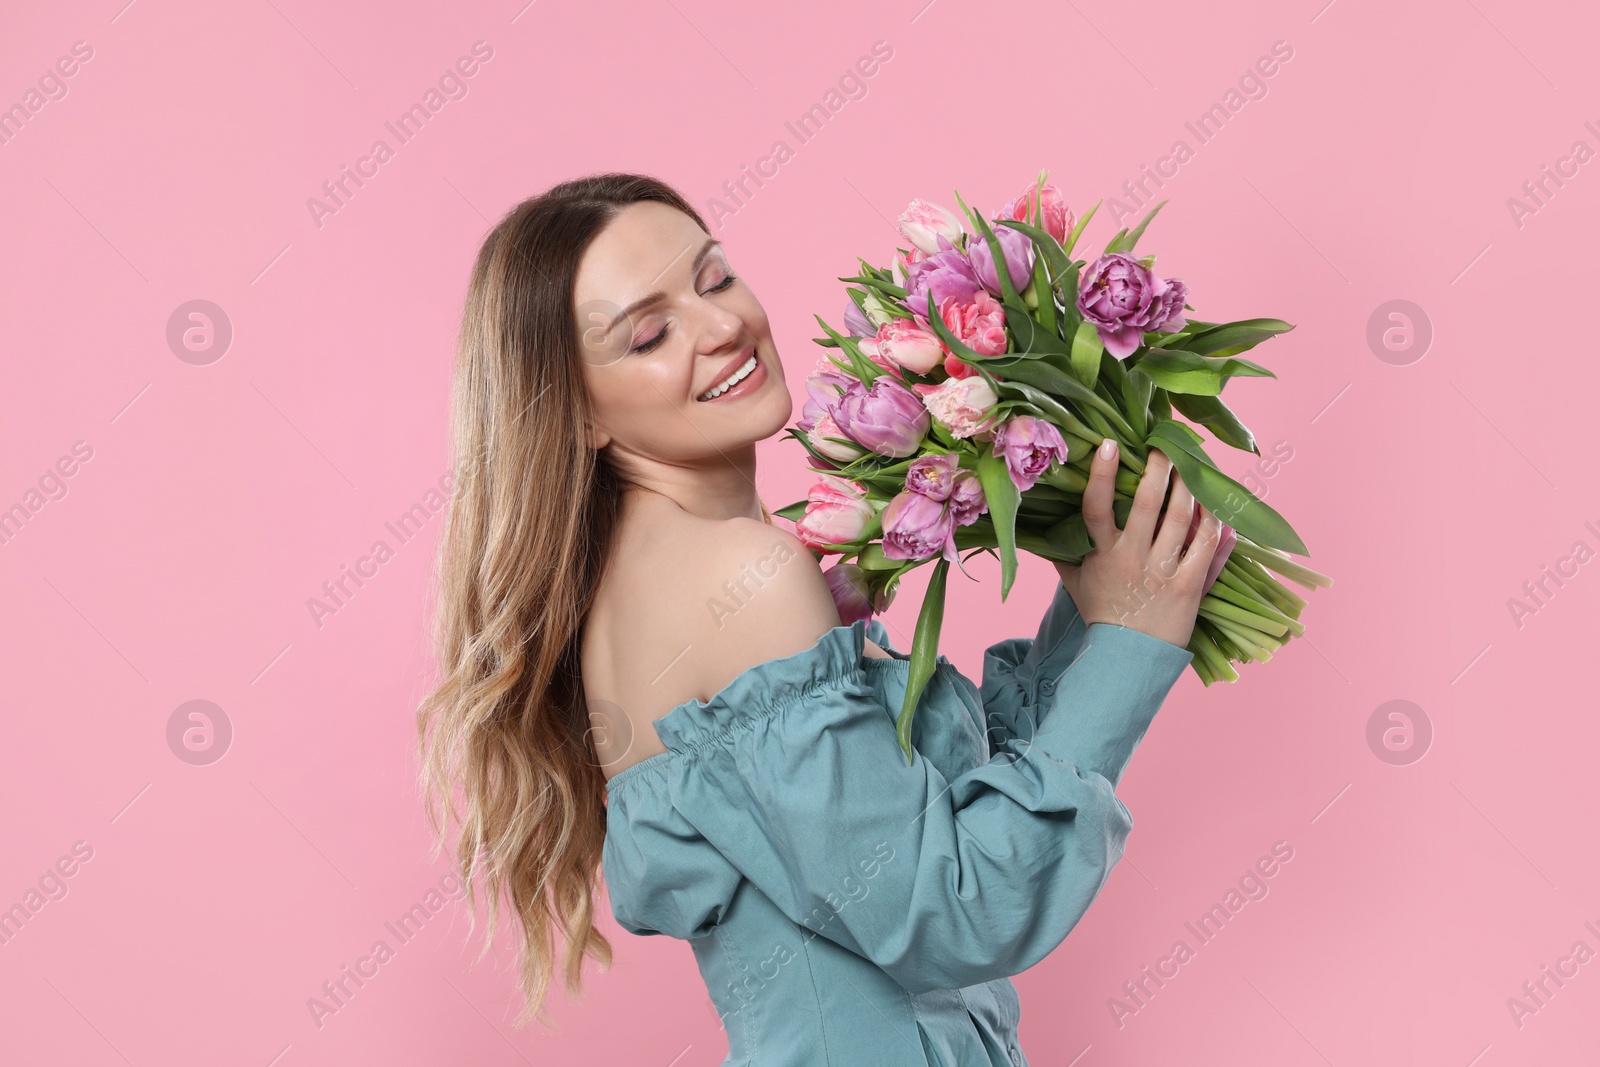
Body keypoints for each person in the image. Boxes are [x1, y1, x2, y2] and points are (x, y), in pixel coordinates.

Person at [415, 171, 1222, 1065]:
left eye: (714, 277)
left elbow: (916, 827)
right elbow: (953, 907)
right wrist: (1130, 645)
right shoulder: (739, 575)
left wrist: (1104, 601)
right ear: (576, 413)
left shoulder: (656, 573)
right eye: (649, 334)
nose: (721, 327)